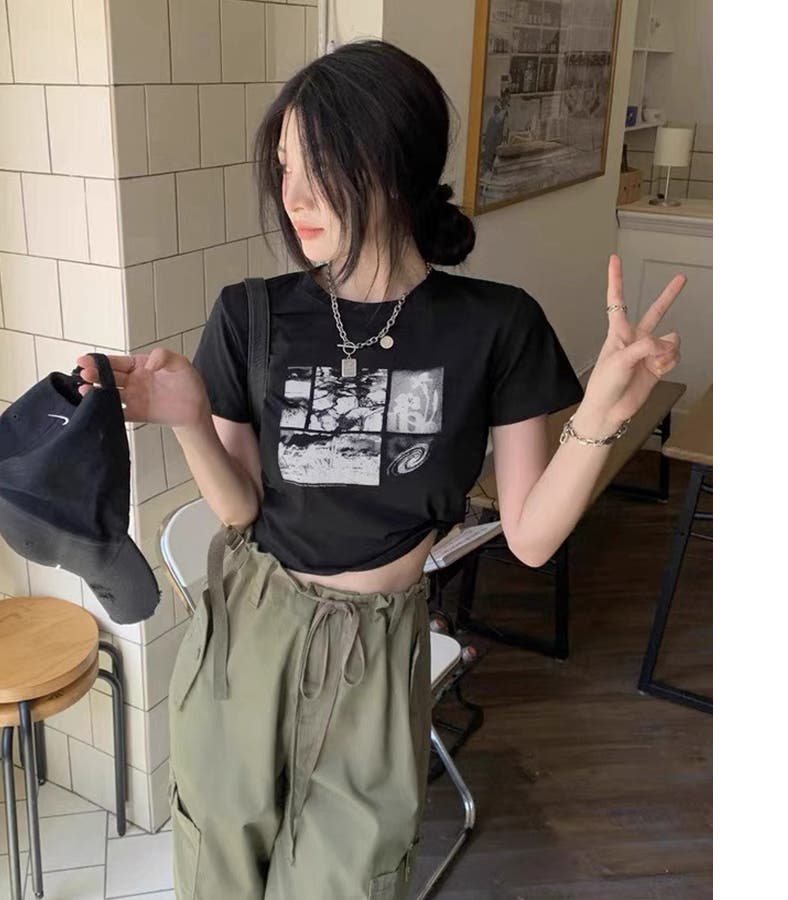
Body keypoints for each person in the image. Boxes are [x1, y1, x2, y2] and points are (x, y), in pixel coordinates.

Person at [76, 38, 684, 900]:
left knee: (350, 879)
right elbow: (241, 510)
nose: (293, 196)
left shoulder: (496, 326)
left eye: (320, 166)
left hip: (375, 644)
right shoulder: (251, 314)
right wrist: (187, 421)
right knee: (218, 865)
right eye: (284, 168)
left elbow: (531, 538)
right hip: (249, 631)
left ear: (394, 163)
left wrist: (598, 417)